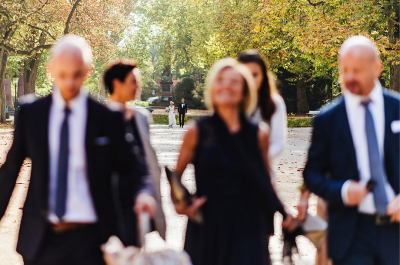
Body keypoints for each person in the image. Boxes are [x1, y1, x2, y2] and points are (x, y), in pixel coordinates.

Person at [0, 35, 157, 265]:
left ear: (88, 71)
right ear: (50, 69)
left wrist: (144, 193)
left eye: (77, 75)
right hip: (41, 240)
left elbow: (135, 169)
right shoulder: (32, 114)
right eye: (63, 75)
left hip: (93, 241)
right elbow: (10, 169)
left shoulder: (107, 118)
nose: (70, 83)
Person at [173, 58, 295, 265]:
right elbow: (176, 175)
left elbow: (265, 181)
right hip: (208, 225)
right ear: (212, 88)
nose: (227, 85)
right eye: (221, 80)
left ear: (245, 91)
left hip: (248, 223)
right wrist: (181, 205)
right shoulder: (196, 132)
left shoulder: (259, 135)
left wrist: (283, 211)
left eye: (234, 81)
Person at [303, 36, 399, 265]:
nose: (349, 78)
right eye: (345, 70)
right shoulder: (328, 120)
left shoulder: (397, 109)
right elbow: (312, 175)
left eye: (356, 70)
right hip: (350, 233)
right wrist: (344, 190)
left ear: (376, 68)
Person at [103, 59, 166, 244]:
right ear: (117, 83)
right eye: (133, 81)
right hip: (107, 202)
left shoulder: (141, 118)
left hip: (136, 201)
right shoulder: (99, 117)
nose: (138, 86)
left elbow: (146, 159)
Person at [238, 50, 287, 160]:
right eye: (245, 74)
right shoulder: (230, 102)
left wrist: (257, 157)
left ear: (263, 76)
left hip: (261, 171)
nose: (250, 79)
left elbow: (278, 142)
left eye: (255, 74)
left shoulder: (274, 102)